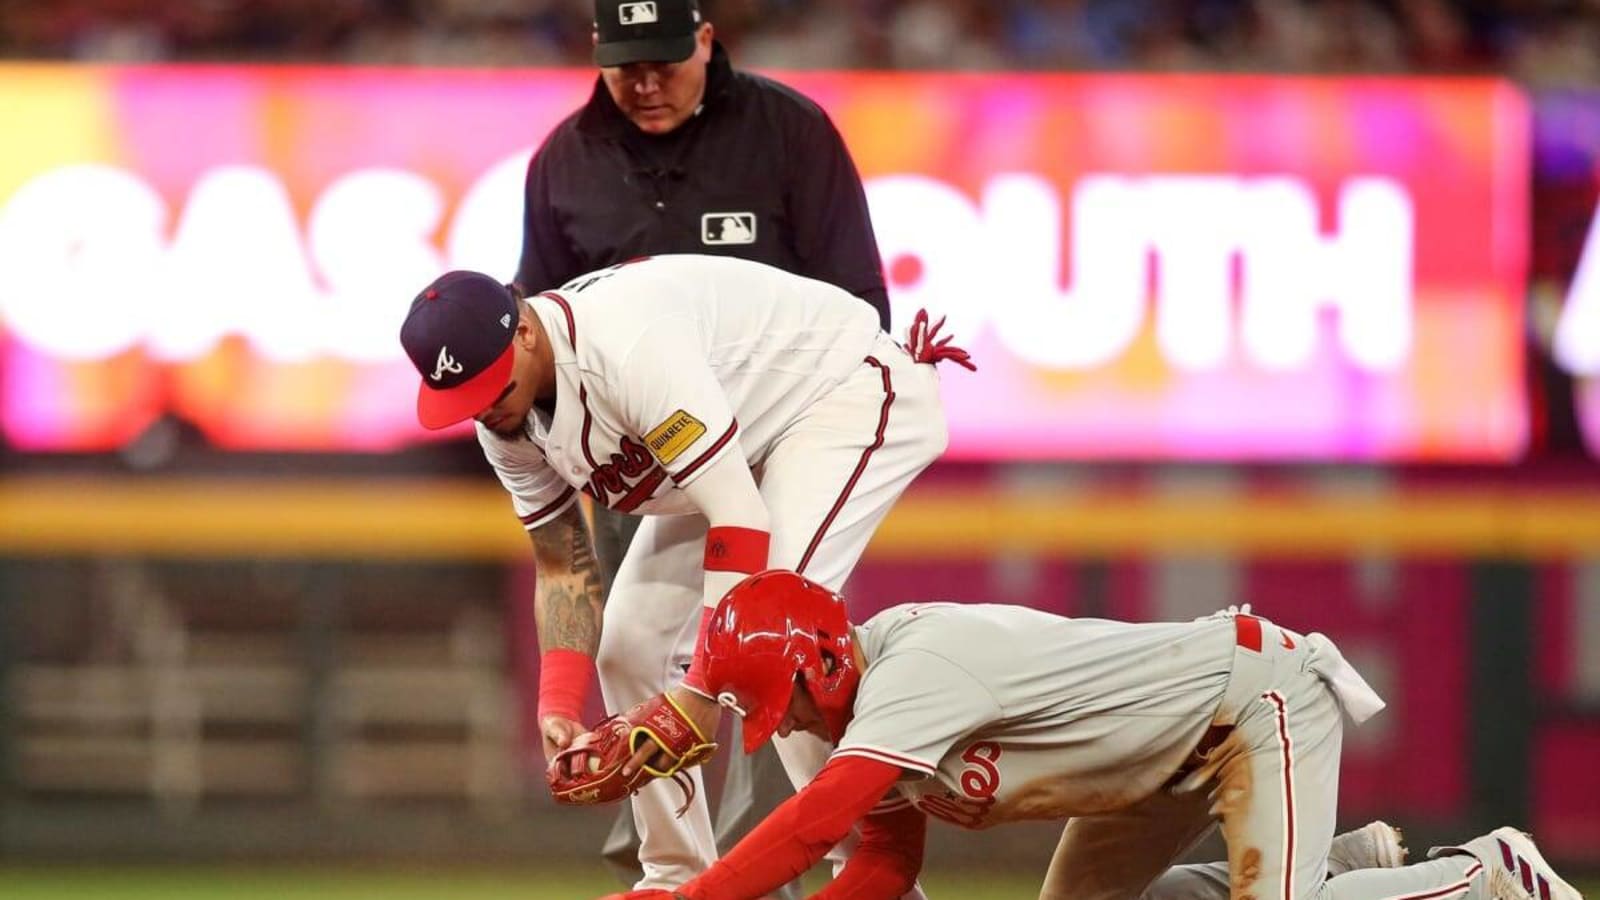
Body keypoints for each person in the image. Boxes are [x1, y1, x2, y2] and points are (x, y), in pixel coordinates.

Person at [398, 254, 970, 891]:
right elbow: (562, 559)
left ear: (525, 331)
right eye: (464, 397)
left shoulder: (625, 347)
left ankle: (876, 878)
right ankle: (673, 878)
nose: (483, 408)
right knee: (629, 644)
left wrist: (701, 694)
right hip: (740, 444)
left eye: (491, 386)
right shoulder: (504, 420)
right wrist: (558, 701)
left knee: (777, 648)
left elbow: (737, 519)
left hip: (840, 392)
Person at [515, 0, 892, 887]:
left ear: (706, 41)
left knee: (782, 674)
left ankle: (849, 873)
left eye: (663, 60)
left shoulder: (788, 133)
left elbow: (860, 314)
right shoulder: (564, 163)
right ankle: (674, 877)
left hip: (775, 450)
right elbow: (533, 343)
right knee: (632, 656)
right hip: (648, 477)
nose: (645, 82)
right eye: (624, 64)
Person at [604, 570, 1586, 900]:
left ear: (820, 659)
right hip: (1159, 764)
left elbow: (820, 824)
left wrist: (694, 896)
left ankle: (1485, 875)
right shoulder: (862, 710)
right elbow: (880, 868)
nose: (792, 728)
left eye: (787, 704)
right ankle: (1332, 865)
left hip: (1249, 703)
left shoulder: (913, 671)